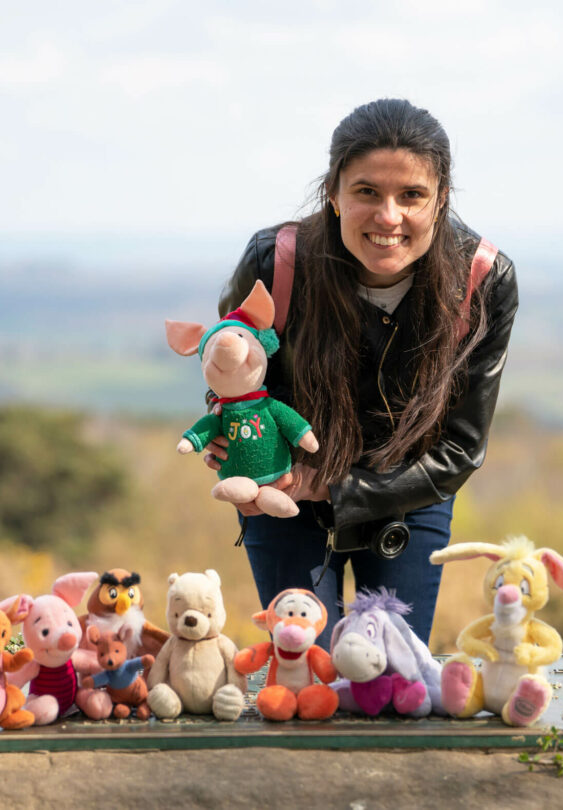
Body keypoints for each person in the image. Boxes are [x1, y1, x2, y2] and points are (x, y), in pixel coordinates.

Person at [207, 98, 518, 646]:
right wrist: (230, 437)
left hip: (410, 490)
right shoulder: (274, 261)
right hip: (285, 493)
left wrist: (335, 486)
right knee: (308, 670)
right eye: (367, 192)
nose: (389, 216)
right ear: (334, 191)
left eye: (413, 195)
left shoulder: (482, 278)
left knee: (391, 678)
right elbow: (232, 377)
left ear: (441, 198)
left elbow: (461, 449)